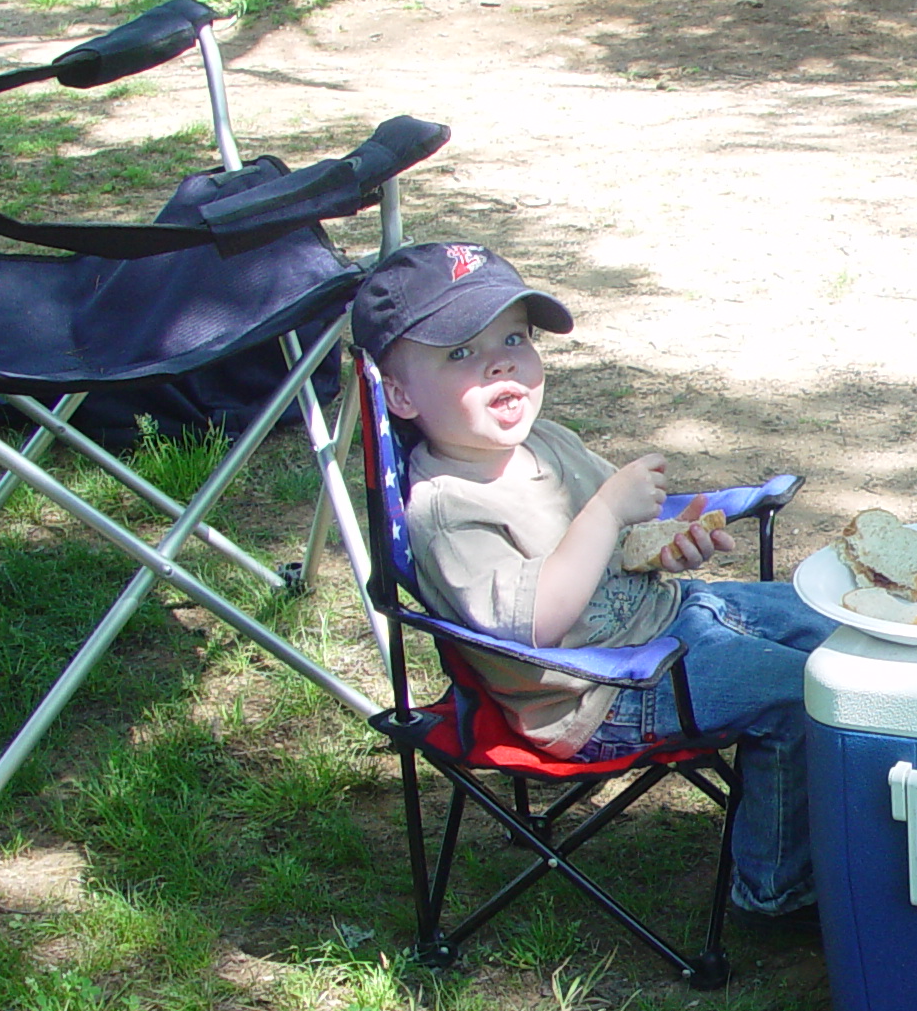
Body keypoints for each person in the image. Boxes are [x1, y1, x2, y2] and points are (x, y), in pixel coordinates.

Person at [351, 241, 833, 919]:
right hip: (599, 691)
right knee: (803, 694)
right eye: (459, 352)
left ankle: (880, 823)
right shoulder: (448, 512)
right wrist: (607, 509)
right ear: (398, 393)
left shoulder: (546, 442)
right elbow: (537, 623)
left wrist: (667, 546)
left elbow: (620, 545)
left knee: (843, 633)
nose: (499, 361)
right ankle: (777, 890)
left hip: (675, 617)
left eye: (513, 338)